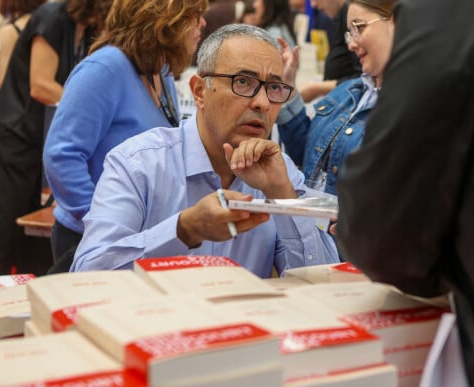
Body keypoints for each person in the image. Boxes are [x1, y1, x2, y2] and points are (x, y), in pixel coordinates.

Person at [336, 0, 474, 385]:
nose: (352, 43)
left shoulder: (458, 13)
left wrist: (445, 268)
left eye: (361, 27)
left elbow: (381, 227)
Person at [71, 24, 340, 277]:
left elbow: (321, 281)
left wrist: (283, 197)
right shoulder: (139, 163)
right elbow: (86, 274)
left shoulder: (280, 172)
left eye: (274, 87)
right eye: (243, 82)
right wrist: (184, 230)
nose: (262, 103)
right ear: (199, 91)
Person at [43, 0, 207, 269]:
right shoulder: (105, 68)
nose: (202, 23)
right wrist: (103, 220)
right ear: (166, 21)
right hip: (90, 239)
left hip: (140, 237)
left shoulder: (160, 71)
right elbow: (61, 156)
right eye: (194, 15)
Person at [0, 0, 113, 278]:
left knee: (32, 246)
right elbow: (40, 85)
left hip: (38, 142)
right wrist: (88, 103)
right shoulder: (52, 16)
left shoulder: (86, 28)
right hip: (11, 142)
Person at [277, 0, 393, 195]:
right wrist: (286, 86)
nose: (351, 45)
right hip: (312, 223)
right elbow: (308, 155)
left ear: (395, 22)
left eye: (359, 27)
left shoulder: (414, 104)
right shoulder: (347, 91)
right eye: (349, 34)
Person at [0, 0, 47, 119]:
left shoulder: (12, 31)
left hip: (16, 115)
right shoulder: (49, 25)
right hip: (40, 112)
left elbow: (4, 84)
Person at [298, 0, 362, 102]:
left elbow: (362, 78)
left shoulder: (349, 15)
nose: (313, 4)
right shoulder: (340, 17)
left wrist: (317, 89)